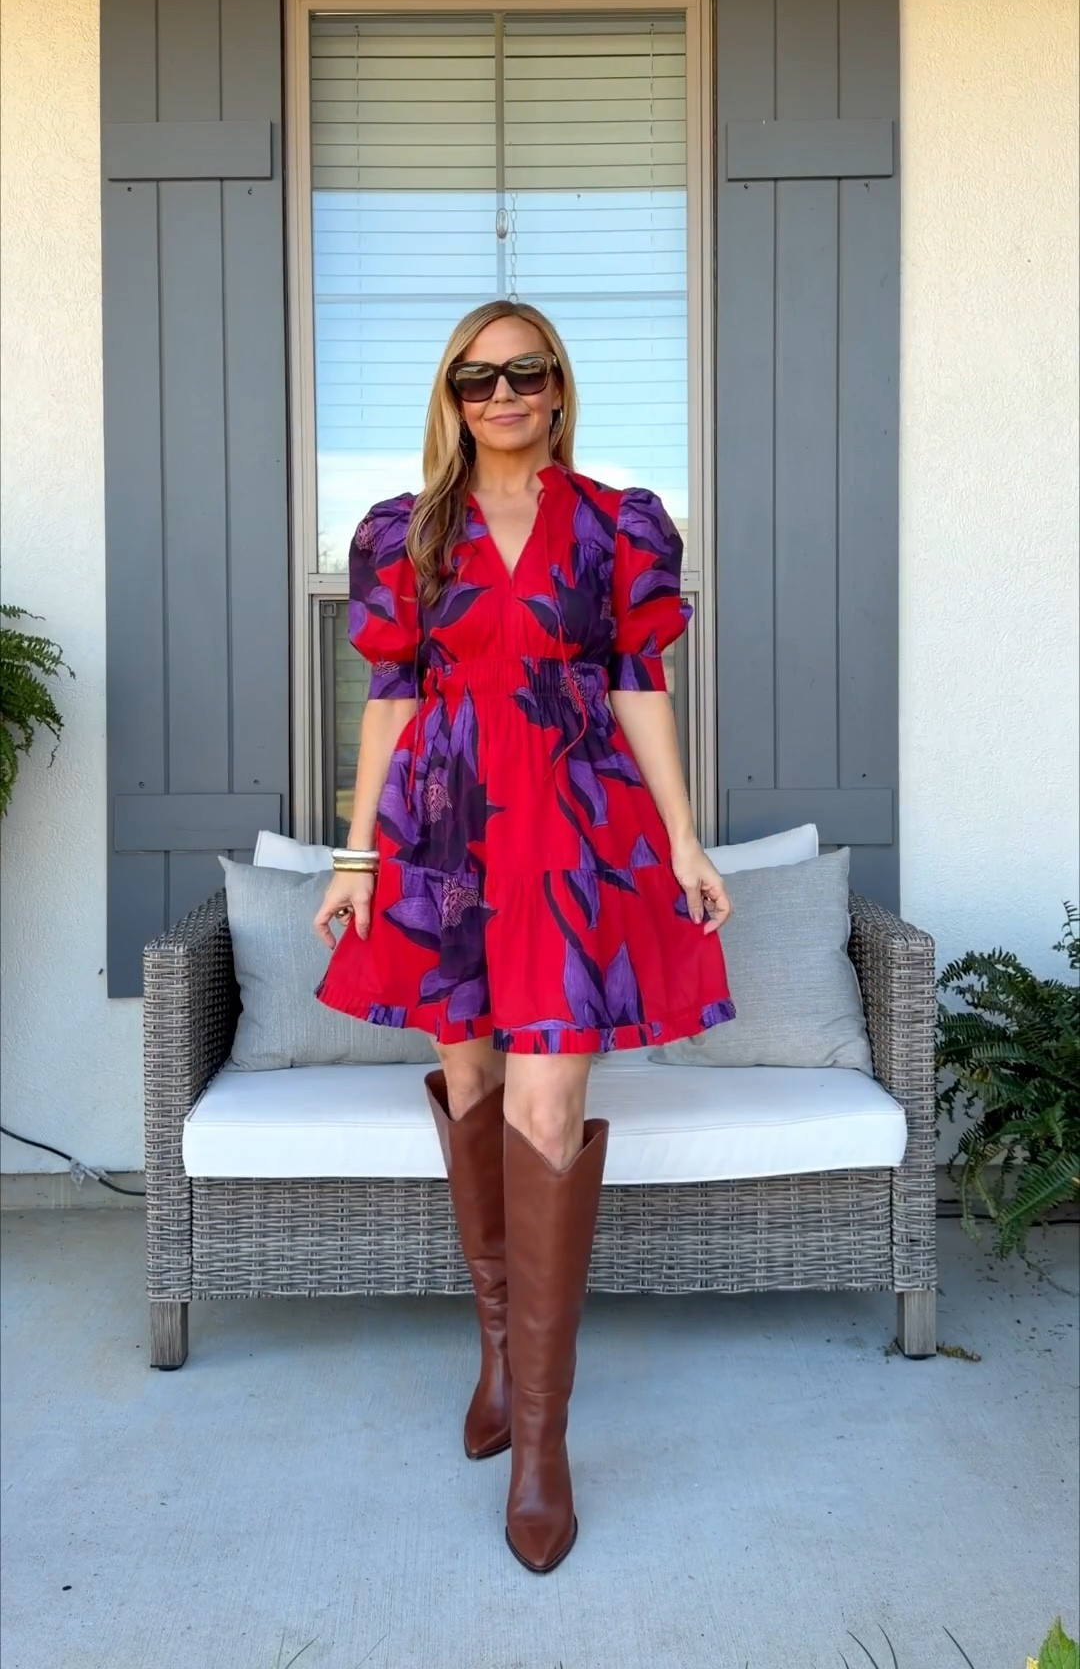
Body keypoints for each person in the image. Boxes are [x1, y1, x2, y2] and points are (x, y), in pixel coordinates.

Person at [313, 299, 735, 1573]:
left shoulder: (616, 525)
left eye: (526, 372)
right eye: (478, 377)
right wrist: (355, 854)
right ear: (451, 395)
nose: (502, 394)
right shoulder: (406, 533)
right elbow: (392, 698)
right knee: (475, 1084)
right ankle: (498, 1350)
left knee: (550, 1105)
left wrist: (684, 839)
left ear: (557, 388)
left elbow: (637, 686)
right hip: (445, 833)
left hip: (574, 830)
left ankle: (541, 1443)